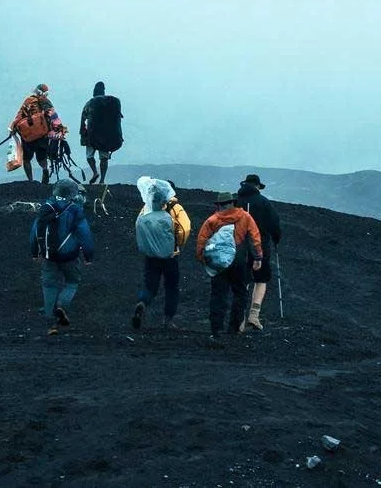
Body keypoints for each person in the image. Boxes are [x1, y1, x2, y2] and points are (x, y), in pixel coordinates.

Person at [195, 190, 264, 344]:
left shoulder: (212, 220)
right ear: (233, 203)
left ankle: (216, 328)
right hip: (239, 261)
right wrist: (258, 257)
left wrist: (202, 259)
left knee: (218, 294)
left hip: (219, 262)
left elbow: (202, 240)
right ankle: (234, 328)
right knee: (240, 293)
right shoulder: (245, 217)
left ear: (219, 205)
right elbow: (254, 237)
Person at [31, 181, 95, 335]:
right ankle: (61, 305)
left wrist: (35, 252)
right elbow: (84, 234)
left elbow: (35, 230)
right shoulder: (75, 210)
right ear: (72, 193)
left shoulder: (47, 207)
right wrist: (88, 255)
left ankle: (51, 325)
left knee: (49, 286)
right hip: (69, 256)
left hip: (49, 256)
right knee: (72, 282)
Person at [132, 177, 192, 330]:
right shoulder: (175, 207)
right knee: (171, 286)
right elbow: (185, 228)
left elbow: (139, 224)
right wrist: (177, 244)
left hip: (151, 255)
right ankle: (168, 319)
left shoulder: (147, 207)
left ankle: (142, 303)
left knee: (150, 285)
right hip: (170, 255)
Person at [235, 173, 282, 331]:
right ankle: (254, 315)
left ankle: (239, 319)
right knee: (261, 280)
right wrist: (276, 238)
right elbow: (274, 223)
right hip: (260, 247)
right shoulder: (263, 202)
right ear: (257, 186)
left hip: (239, 247)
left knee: (243, 281)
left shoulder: (236, 201)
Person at [8, 84, 66, 184]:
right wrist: (60, 130)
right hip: (42, 134)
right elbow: (53, 117)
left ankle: (30, 180)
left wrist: (12, 128)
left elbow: (19, 116)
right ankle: (45, 170)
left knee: (26, 159)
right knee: (42, 157)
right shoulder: (46, 102)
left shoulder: (28, 101)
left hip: (28, 135)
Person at [79, 82, 124, 187]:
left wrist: (82, 133)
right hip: (106, 136)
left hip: (92, 135)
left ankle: (95, 172)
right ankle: (102, 180)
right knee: (104, 158)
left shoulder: (91, 102)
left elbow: (83, 117)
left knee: (89, 156)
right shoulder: (111, 103)